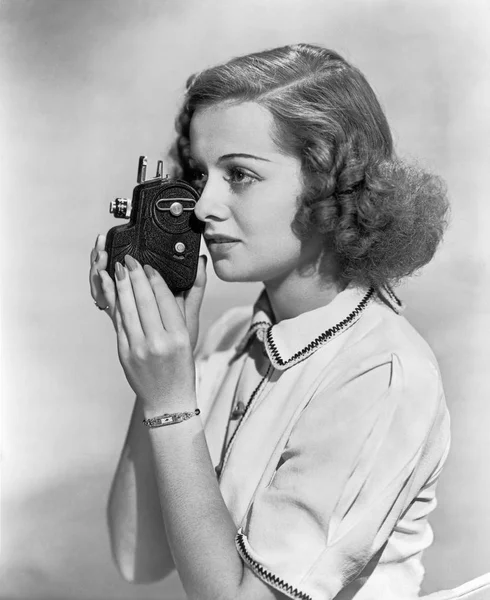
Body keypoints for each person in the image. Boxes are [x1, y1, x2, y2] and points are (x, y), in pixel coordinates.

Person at [89, 43, 451, 600]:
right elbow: (139, 558)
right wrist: (157, 369)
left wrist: (171, 404)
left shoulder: (382, 373)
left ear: (332, 181)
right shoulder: (229, 339)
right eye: (199, 173)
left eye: (238, 175)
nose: (203, 206)